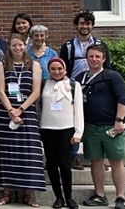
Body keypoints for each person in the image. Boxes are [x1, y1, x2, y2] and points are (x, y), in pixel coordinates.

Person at [0, 34, 46, 207]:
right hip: (6, 114)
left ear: (25, 45)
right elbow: (1, 91)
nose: (17, 48)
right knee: (7, 153)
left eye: (21, 45)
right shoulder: (2, 64)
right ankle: (6, 193)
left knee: (28, 154)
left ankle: (28, 195)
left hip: (27, 113)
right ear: (9, 46)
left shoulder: (34, 65)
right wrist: (11, 111)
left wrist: (20, 110)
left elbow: (36, 92)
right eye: (14, 45)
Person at [77, 44, 125, 209]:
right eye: (91, 56)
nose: (94, 59)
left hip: (112, 127)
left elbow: (123, 99)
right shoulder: (80, 78)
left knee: (116, 161)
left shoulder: (112, 76)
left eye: (97, 57)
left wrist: (119, 120)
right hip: (90, 127)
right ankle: (100, 195)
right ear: (86, 58)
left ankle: (120, 197)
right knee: (96, 161)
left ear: (104, 59)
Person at [60, 11, 112, 169]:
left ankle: (98, 158)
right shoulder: (68, 47)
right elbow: (64, 70)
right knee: (75, 122)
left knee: (95, 121)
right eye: (82, 23)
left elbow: (107, 68)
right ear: (76, 25)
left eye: (88, 23)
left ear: (92, 26)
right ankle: (74, 156)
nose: (85, 26)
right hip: (74, 88)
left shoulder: (100, 45)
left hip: (96, 87)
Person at [40, 57, 84, 209]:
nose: (57, 72)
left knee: (64, 164)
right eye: (53, 69)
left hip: (66, 128)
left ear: (64, 69)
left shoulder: (73, 85)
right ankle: (58, 197)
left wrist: (78, 132)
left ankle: (69, 196)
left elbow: (79, 110)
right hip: (47, 128)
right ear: (49, 70)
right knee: (51, 164)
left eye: (59, 68)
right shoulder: (44, 84)